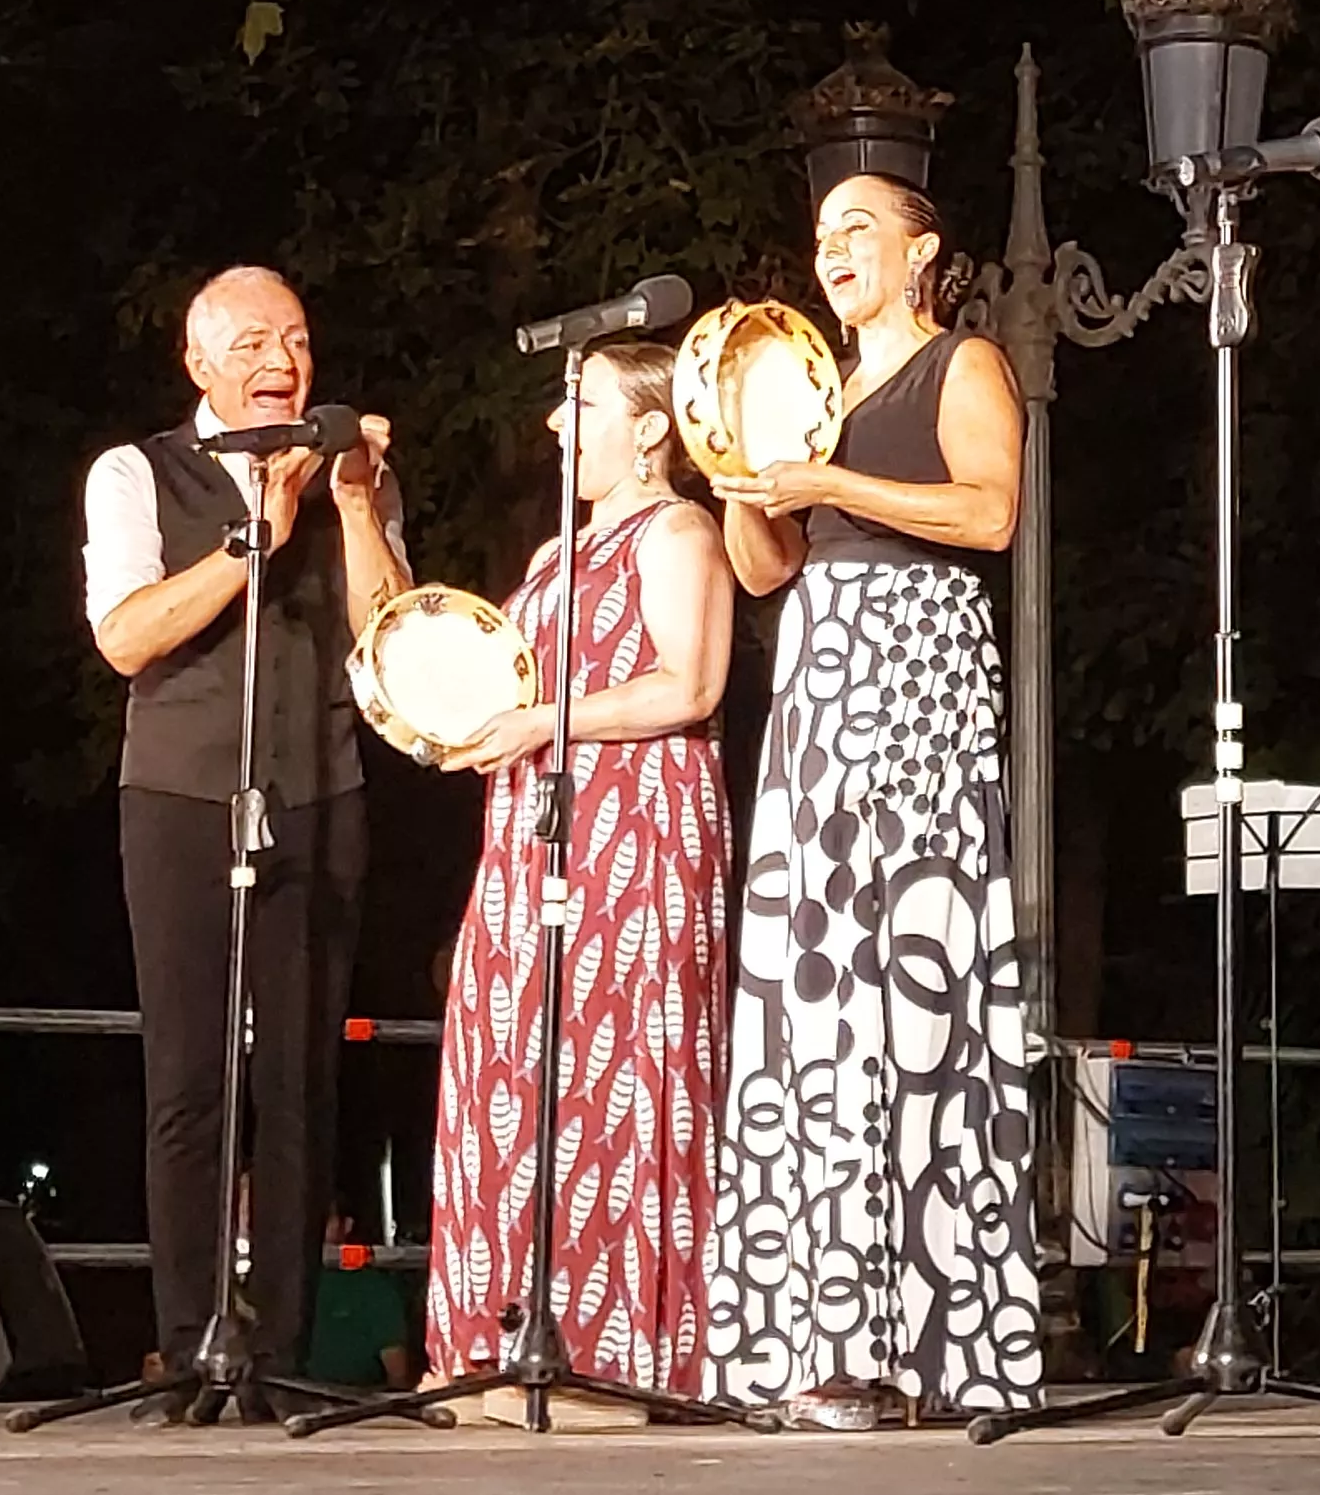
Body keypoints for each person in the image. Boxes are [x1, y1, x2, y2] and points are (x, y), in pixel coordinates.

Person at [706, 174, 1042, 1428]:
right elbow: (763, 571)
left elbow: (991, 513)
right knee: (815, 996)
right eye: (822, 233)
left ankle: (933, 1345)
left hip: (916, 671)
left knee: (913, 985)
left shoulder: (962, 364)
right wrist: (749, 486)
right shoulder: (804, 391)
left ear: (921, 251)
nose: (832, 248)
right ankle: (817, 1339)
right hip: (817, 676)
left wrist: (832, 486)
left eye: (861, 230)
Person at [80, 265, 406, 1391]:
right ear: (200, 360)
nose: (284, 362)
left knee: (305, 1078)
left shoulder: (347, 473)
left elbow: (392, 641)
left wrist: (356, 506)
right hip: (179, 795)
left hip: (319, 788)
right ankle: (189, 1341)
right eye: (257, 341)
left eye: (300, 340)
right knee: (188, 1074)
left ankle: (280, 1348)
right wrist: (249, 539)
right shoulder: (136, 474)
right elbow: (126, 638)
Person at [425, 340, 736, 1398]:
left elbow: (684, 684)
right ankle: (508, 1337)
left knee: (619, 1067)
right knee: (519, 1063)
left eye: (583, 405)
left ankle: (627, 1353)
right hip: (538, 830)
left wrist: (538, 723)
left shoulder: (679, 529)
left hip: (633, 826)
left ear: (650, 429)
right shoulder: (556, 557)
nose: (558, 427)